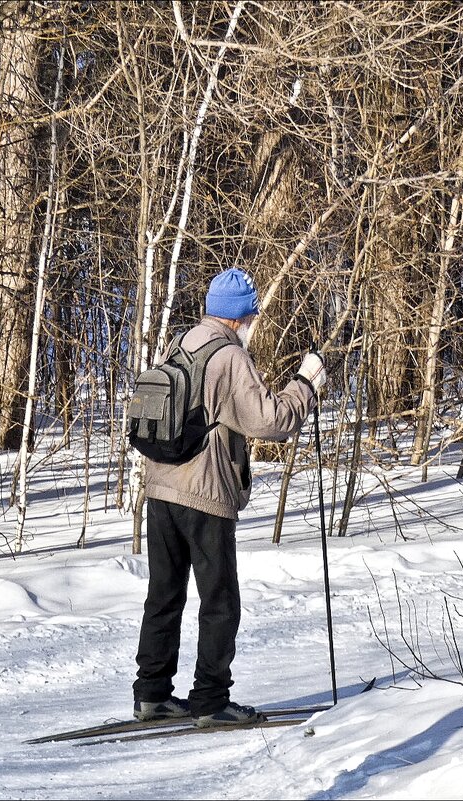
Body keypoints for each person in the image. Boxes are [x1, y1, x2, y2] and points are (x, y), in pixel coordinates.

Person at [132, 266, 326, 728]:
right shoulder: (229, 358)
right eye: (253, 314)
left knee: (164, 594)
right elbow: (270, 421)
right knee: (219, 601)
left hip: (160, 488)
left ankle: (152, 695)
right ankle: (211, 701)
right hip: (205, 494)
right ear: (242, 316)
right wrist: (305, 384)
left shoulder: (182, 344)